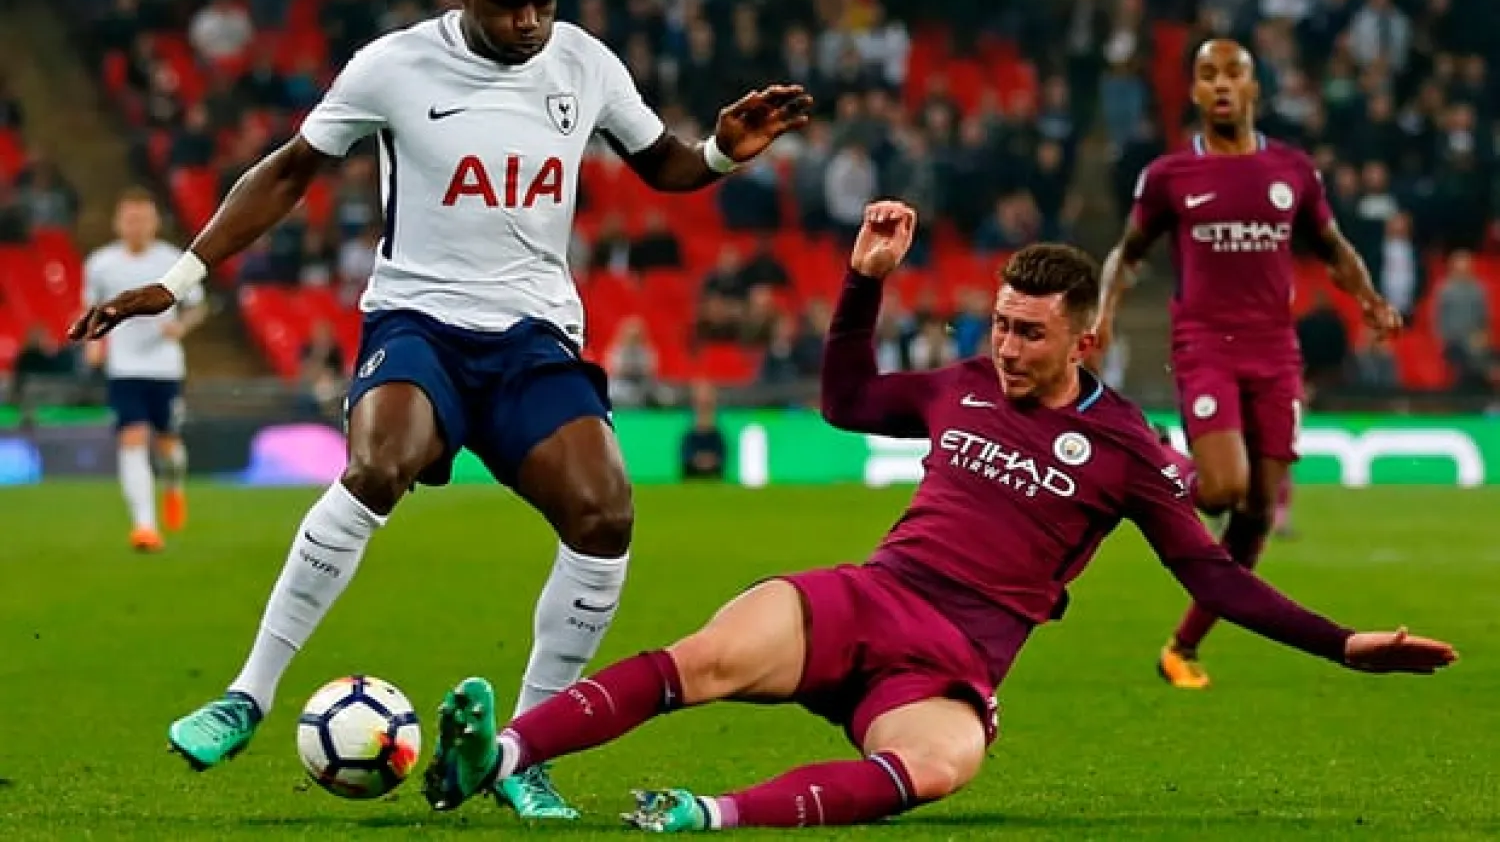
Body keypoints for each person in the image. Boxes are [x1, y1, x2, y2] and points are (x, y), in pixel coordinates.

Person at [68, 0, 811, 819]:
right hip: (418, 323)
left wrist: (722, 153)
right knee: (378, 465)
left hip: (534, 337)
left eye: (542, 0)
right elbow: (291, 169)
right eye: (506, 4)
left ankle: (525, 755)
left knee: (606, 514)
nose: (528, 21)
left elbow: (664, 165)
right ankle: (247, 694)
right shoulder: (393, 66)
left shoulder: (584, 61)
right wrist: (183, 278)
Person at [418, 202, 1454, 828]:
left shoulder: (1129, 449)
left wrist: (1341, 643)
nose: (1005, 348)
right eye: (999, 325)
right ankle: (499, 758)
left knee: (941, 768)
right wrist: (862, 289)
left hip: (950, 662)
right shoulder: (958, 384)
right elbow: (847, 403)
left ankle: (704, 816)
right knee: (708, 656)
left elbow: (1212, 577)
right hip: (869, 598)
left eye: (1029, 335)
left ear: (1081, 341)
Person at [1091, 39, 1404, 689]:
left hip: (1274, 352)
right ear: (1197, 94)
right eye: (1208, 75)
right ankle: (1165, 455)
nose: (1223, 84)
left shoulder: (1293, 171)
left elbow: (1333, 245)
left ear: (1254, 87)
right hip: (1205, 346)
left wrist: (1370, 298)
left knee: (1258, 511)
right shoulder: (1170, 176)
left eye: (1234, 73)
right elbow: (1127, 252)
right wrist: (1104, 313)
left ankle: (1182, 648)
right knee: (1225, 489)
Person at [81, 188, 205, 552]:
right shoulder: (101, 263)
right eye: (130, 219)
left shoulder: (172, 261)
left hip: (165, 368)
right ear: (119, 223)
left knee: (169, 447)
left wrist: (181, 327)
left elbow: (197, 306)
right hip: (124, 367)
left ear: (154, 223)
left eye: (143, 219)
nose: (136, 226)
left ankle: (173, 487)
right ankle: (145, 526)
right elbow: (90, 307)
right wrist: (93, 343)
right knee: (132, 438)